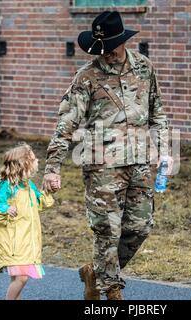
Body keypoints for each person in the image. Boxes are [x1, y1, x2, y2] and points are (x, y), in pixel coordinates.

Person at [42, 11, 173, 300]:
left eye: (111, 49)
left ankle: (95, 272)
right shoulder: (87, 77)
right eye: (101, 50)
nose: (107, 55)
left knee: (140, 226)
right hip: (102, 166)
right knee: (107, 230)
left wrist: (165, 151)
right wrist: (53, 167)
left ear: (122, 42)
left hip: (139, 161)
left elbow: (158, 112)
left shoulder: (144, 67)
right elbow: (66, 123)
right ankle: (111, 290)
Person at [0, 143, 54, 300]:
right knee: (22, 278)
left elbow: (40, 204)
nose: (38, 160)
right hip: (13, 242)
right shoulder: (6, 186)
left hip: (27, 240)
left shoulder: (29, 186)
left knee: (17, 279)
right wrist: (5, 209)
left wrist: (48, 191)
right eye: (34, 159)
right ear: (24, 164)